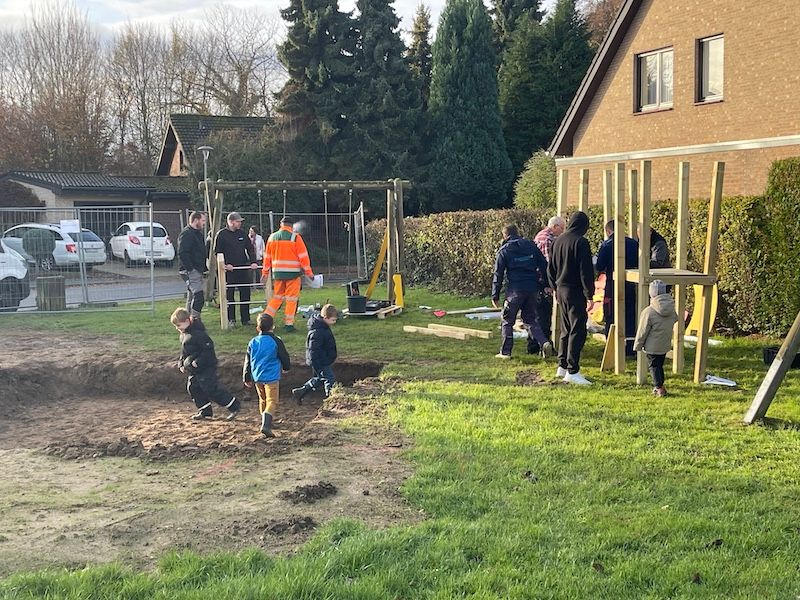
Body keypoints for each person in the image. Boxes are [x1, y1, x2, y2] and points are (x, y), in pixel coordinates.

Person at [547, 211, 596, 385]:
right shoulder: (581, 242)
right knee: (577, 329)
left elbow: (550, 268)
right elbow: (585, 271)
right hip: (575, 291)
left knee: (566, 329)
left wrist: (554, 287)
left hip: (560, 289)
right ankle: (573, 370)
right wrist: (589, 295)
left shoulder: (558, 240)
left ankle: (562, 365)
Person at [491, 224, 552, 359]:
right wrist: (547, 285)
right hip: (532, 288)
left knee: (507, 320)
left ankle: (505, 352)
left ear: (505, 235)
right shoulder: (531, 246)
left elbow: (498, 274)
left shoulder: (504, 250)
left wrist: (495, 295)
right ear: (517, 232)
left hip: (515, 290)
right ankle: (544, 342)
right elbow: (544, 266)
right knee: (531, 320)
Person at [170, 307, 240, 421]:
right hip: (194, 369)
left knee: (210, 389)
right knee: (193, 388)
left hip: (206, 367)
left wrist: (198, 362)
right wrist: (181, 363)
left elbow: (208, 350)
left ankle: (234, 406)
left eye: (179, 325)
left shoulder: (199, 334)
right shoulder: (184, 335)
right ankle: (205, 411)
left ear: (187, 321)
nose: (178, 328)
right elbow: (184, 352)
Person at [262, 216, 314, 332]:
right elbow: (303, 257)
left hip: (278, 274)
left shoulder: (272, 237)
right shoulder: (295, 237)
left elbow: (267, 257)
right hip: (293, 274)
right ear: (291, 226)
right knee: (291, 299)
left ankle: (264, 320)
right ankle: (288, 324)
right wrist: (309, 272)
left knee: (277, 298)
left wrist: (265, 273)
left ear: (281, 225)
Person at [595, 220, 639, 355]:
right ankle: (630, 345)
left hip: (612, 285)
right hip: (631, 283)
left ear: (608, 231)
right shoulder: (634, 243)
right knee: (630, 314)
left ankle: (611, 346)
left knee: (611, 314)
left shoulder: (607, 245)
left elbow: (599, 266)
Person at [243, 313, 291, 438]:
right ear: (272, 326)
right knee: (272, 401)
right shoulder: (276, 341)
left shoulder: (253, 342)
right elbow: (284, 355)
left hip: (257, 376)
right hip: (271, 376)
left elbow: (247, 361)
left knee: (263, 399)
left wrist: (247, 376)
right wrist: (286, 367)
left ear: (257, 328)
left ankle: (266, 421)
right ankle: (266, 425)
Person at [633, 280, 679, 397]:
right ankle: (660, 385)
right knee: (659, 365)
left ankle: (658, 388)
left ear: (651, 293)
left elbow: (642, 330)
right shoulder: (671, 309)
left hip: (652, 345)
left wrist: (638, 345)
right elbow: (675, 319)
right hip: (664, 344)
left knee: (654, 366)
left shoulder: (649, 311)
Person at [215, 212, 258, 328]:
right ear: (231, 222)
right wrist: (225, 265)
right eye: (238, 221)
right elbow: (217, 252)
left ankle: (246, 319)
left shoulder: (242, 233)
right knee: (229, 295)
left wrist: (253, 262)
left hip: (242, 268)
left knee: (245, 293)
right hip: (228, 271)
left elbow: (250, 248)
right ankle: (231, 319)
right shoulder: (221, 235)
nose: (239, 223)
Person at [532, 216, 566, 350]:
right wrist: (549, 284)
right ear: (555, 227)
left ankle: (537, 343)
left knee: (538, 313)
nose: (562, 231)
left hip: (538, 280)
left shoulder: (541, 235)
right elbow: (548, 265)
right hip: (543, 282)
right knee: (543, 314)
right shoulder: (547, 240)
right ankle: (542, 343)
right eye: (562, 228)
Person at [292, 304, 338, 402]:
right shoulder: (318, 331)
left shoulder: (323, 327)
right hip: (321, 361)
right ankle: (331, 398)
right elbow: (313, 350)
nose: (334, 322)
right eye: (333, 320)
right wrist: (317, 364)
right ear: (325, 317)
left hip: (323, 359)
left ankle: (301, 392)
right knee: (329, 379)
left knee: (319, 378)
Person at [177, 211, 208, 319]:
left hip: (196, 269)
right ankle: (195, 319)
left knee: (192, 297)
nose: (204, 223)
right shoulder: (187, 234)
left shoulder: (198, 234)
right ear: (196, 220)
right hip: (190, 270)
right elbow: (182, 252)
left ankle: (186, 320)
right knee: (199, 296)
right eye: (203, 220)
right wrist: (190, 269)